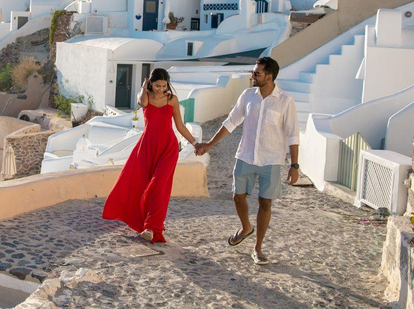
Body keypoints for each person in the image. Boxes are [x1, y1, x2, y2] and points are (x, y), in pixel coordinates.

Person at [195, 56, 299, 265]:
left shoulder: (285, 101)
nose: (252, 76)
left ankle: (258, 248)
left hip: (271, 159)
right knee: (237, 197)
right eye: (253, 72)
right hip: (245, 155)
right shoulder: (248, 95)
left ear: (269, 77)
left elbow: (293, 135)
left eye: (256, 73)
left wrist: (294, 165)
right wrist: (210, 144)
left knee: (265, 203)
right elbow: (231, 121)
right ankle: (246, 228)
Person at [102, 68, 199, 243]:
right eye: (157, 85)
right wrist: (143, 88)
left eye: (164, 85)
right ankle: (145, 222)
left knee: (159, 185)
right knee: (138, 183)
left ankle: (152, 227)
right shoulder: (146, 97)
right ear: (150, 83)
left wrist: (194, 143)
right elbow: (141, 102)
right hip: (147, 147)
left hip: (168, 148)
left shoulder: (172, 100)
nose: (161, 89)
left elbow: (180, 126)